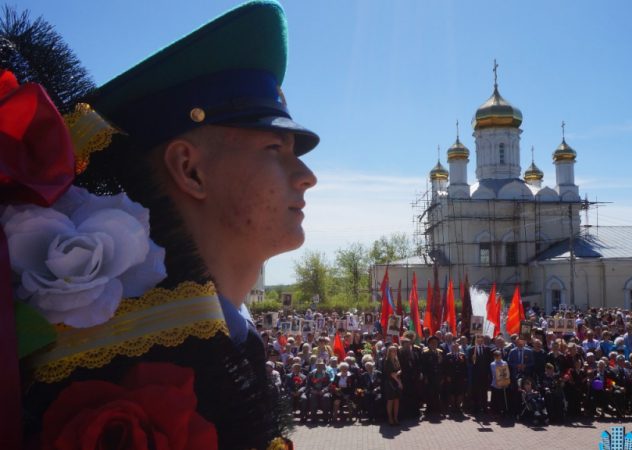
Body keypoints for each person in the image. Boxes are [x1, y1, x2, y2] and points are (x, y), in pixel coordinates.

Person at [11, 2, 318, 449]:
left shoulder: (207, 338)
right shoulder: (114, 374)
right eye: (275, 148)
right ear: (190, 170)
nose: (307, 176)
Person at [383, 345, 403, 425]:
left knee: (397, 400)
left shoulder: (396, 360)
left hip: (396, 381)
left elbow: (399, 370)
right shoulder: (387, 361)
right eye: (393, 351)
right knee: (390, 401)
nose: (395, 352)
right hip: (390, 383)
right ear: (389, 352)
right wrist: (399, 383)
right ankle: (390, 418)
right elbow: (391, 374)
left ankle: (395, 417)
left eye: (395, 350)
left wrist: (399, 373)